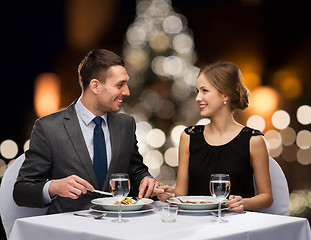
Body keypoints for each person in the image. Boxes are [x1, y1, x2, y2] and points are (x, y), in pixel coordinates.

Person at [13, 49, 159, 214]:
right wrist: (53, 187)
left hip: (118, 227)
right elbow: (21, 191)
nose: (127, 92)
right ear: (95, 86)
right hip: (68, 231)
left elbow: (136, 171)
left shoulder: (126, 124)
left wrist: (146, 180)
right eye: (120, 85)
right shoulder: (48, 127)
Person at [155, 62, 273, 213]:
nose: (198, 98)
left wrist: (243, 203)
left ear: (225, 94)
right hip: (195, 223)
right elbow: (182, 193)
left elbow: (267, 197)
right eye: (198, 91)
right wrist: (169, 193)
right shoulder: (189, 136)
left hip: (236, 225)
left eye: (205, 91)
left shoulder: (253, 140)